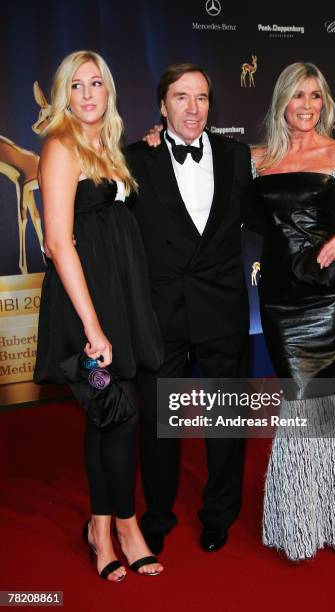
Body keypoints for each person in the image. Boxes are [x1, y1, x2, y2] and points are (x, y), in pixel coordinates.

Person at [33, 50, 164, 580]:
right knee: (119, 414)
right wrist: (93, 328)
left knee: (110, 419)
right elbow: (59, 242)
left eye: (97, 84)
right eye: (77, 86)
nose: (88, 94)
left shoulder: (105, 147)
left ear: (108, 92)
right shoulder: (60, 147)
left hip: (117, 302)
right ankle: (115, 529)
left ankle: (107, 527)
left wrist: (152, 141)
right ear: (65, 95)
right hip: (86, 309)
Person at [125, 63, 253, 555]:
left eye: (201, 97)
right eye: (181, 97)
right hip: (161, 313)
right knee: (160, 420)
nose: (193, 108)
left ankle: (220, 512)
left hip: (222, 308)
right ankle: (157, 512)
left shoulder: (237, 155)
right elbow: (106, 219)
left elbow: (270, 212)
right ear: (162, 106)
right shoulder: (135, 159)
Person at [251, 61, 335, 560]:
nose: (307, 106)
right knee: (300, 398)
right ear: (282, 101)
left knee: (323, 399)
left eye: (316, 96)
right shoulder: (256, 159)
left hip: (326, 295)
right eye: (298, 96)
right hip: (280, 298)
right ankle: (305, 517)